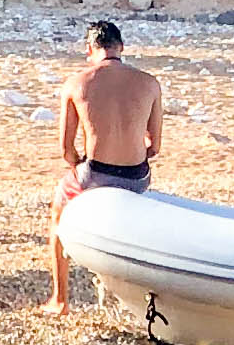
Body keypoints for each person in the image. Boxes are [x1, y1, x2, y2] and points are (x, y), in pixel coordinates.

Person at [48, 17, 163, 317]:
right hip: (137, 176)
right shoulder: (149, 83)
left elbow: (66, 150)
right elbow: (155, 146)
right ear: (121, 47)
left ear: (90, 49)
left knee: (57, 215)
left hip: (96, 173)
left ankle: (60, 300)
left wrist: (80, 166)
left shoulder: (76, 84)